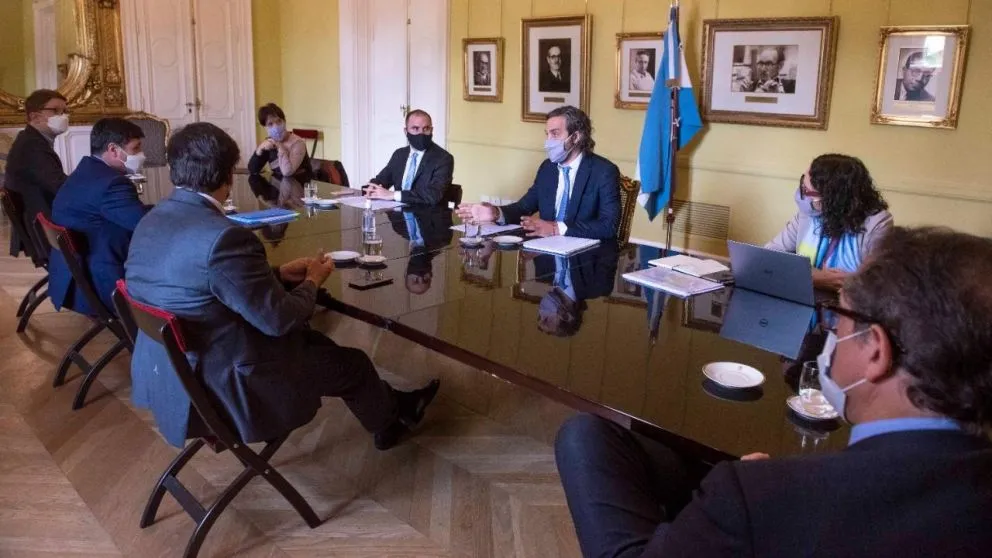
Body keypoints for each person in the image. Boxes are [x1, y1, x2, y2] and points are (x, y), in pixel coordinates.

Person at [555, 226, 992, 557]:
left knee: (584, 438)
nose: (831, 335)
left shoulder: (759, 496)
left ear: (876, 350)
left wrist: (742, 496)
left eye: (838, 319)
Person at [125, 122, 440, 452]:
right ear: (228, 176)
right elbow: (280, 320)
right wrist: (312, 280)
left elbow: (207, 284)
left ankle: (394, 407)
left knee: (316, 343)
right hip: (228, 383)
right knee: (353, 363)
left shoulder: (152, 218)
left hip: (170, 370)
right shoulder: (225, 238)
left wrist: (276, 274)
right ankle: (389, 423)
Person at [456, 105, 620, 240]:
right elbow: (524, 207)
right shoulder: (548, 168)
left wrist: (556, 228)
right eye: (547, 134)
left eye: (555, 134)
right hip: (546, 253)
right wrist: (496, 213)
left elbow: (608, 226)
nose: (548, 142)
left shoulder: (604, 172)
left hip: (586, 259)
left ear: (575, 137)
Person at [49, 118, 149, 315]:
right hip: (104, 283)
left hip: (73, 279)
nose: (141, 155)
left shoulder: (86, 171)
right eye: (135, 148)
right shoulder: (112, 184)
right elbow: (146, 226)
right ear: (113, 150)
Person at [766, 153, 892, 291]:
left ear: (834, 198)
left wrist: (803, 275)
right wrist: (814, 278)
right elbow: (769, 257)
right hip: (806, 293)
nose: (802, 195)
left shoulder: (877, 222)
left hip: (848, 300)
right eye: (803, 185)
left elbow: (875, 282)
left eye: (807, 191)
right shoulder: (807, 214)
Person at [4, 89, 69, 257]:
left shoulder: (31, 140)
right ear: (35, 117)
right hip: (46, 228)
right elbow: (59, 186)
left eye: (64, 111)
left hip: (41, 221)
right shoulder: (32, 147)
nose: (63, 116)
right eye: (55, 111)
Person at [364, 109, 454, 206]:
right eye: (415, 128)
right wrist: (372, 187)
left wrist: (393, 195)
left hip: (426, 213)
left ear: (431, 130)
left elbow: (433, 195)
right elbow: (381, 180)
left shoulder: (443, 158)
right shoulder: (399, 154)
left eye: (426, 129)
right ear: (406, 131)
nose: (421, 133)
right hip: (397, 211)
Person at [534, 243, 618, 336]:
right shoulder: (598, 287)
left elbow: (536, 240)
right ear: (566, 316)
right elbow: (609, 246)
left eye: (539, 317)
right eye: (546, 320)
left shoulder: (542, 274)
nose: (541, 311)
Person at [387, 206, 453, 294]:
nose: (420, 276)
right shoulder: (442, 238)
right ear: (431, 274)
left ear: (406, 273)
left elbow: (388, 207)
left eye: (415, 280)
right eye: (425, 280)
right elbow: (441, 205)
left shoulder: (399, 228)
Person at [247, 102, 312, 180]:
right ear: (265, 128)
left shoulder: (298, 143)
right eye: (270, 124)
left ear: (284, 121)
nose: (276, 126)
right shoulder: (270, 142)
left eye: (279, 121)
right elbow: (252, 170)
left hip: (299, 183)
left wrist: (279, 146)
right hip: (279, 184)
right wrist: (259, 149)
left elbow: (287, 172)